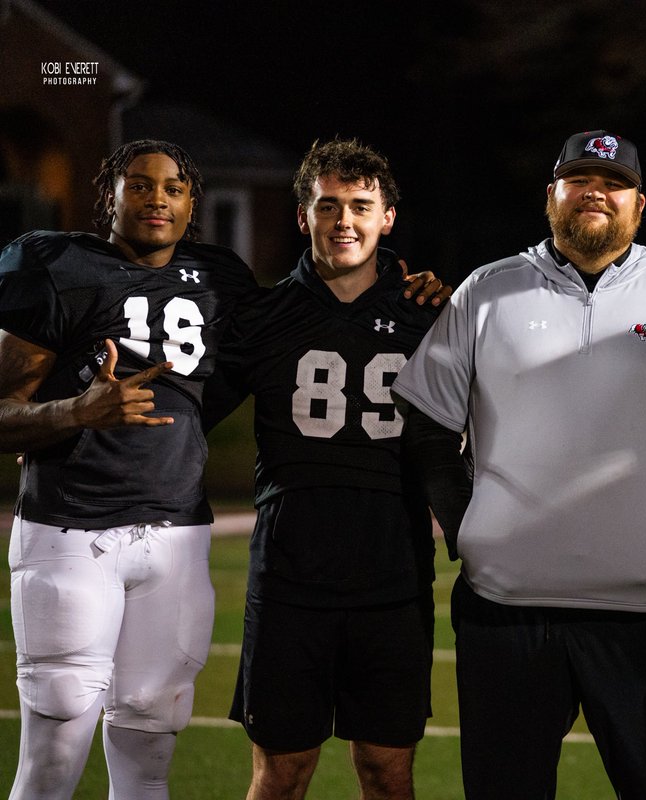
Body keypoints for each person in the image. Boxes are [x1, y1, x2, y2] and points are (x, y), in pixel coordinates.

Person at [392, 130, 646, 799]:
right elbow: (426, 425)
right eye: (580, 178)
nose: (596, 191)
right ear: (551, 197)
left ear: (639, 204)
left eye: (613, 182)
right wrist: (465, 528)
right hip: (509, 611)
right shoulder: (486, 292)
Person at [0, 140, 258, 799]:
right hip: (71, 533)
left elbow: (222, 387)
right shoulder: (59, 266)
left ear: (192, 203)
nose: (157, 198)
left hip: (177, 537)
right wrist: (74, 413)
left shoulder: (220, 278)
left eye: (174, 187)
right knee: (55, 752)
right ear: (107, 196)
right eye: (139, 185)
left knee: (150, 750)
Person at [201, 139, 449, 800]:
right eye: (329, 204)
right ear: (303, 214)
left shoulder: (433, 317)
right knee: (281, 773)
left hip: (393, 577)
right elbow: (184, 419)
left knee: (388, 771)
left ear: (388, 217)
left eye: (361, 206)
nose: (345, 219)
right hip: (288, 581)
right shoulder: (260, 317)